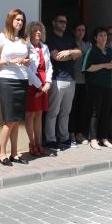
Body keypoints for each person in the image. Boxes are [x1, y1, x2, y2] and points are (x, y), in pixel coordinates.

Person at [0, 9, 31, 165]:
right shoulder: (1, 37)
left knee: (17, 120)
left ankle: (14, 153)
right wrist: (9, 61)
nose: (20, 22)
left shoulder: (24, 39)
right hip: (7, 80)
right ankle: (2, 154)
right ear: (10, 20)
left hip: (22, 80)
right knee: (9, 119)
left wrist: (26, 61)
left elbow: (27, 58)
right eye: (17, 19)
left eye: (22, 20)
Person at [44, 14, 82, 151]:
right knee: (53, 111)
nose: (63, 24)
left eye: (65, 22)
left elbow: (80, 52)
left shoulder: (69, 38)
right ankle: (50, 140)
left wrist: (68, 52)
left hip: (70, 79)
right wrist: (72, 55)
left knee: (66, 112)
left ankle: (64, 138)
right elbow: (57, 57)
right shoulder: (50, 38)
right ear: (54, 23)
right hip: (56, 79)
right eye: (60, 21)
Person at [82, 27, 112, 150]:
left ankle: (104, 138)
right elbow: (87, 68)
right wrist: (104, 65)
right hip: (95, 86)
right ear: (95, 38)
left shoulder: (110, 50)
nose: (104, 37)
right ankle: (93, 139)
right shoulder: (92, 51)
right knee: (95, 112)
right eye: (101, 35)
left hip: (109, 85)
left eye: (105, 35)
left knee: (106, 112)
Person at [25, 21, 52, 156]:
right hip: (32, 83)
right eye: (35, 30)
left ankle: (39, 143)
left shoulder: (44, 47)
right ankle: (32, 144)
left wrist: (48, 82)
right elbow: (27, 69)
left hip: (43, 83)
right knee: (30, 114)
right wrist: (39, 85)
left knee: (39, 114)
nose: (38, 32)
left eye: (40, 30)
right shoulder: (26, 47)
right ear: (30, 32)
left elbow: (49, 66)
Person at [69, 22, 90, 146]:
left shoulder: (88, 45)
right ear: (74, 31)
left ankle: (79, 133)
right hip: (73, 80)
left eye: (83, 30)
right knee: (72, 109)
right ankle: (71, 133)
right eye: (79, 30)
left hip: (85, 81)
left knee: (83, 109)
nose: (81, 32)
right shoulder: (70, 44)